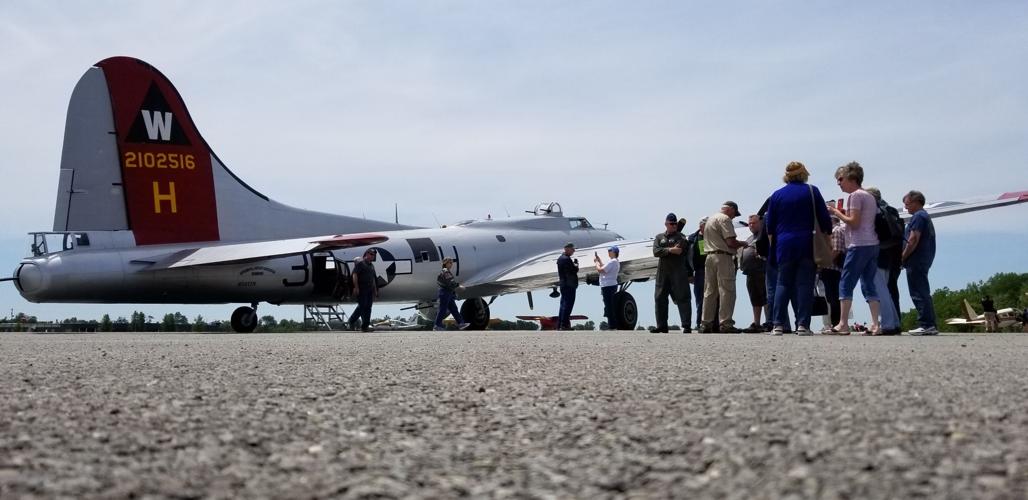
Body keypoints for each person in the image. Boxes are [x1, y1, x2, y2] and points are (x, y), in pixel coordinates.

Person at [764, 162, 832, 336]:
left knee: (782, 283)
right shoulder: (811, 191)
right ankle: (802, 325)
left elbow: (769, 226)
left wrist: (775, 246)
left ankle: (777, 324)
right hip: (806, 242)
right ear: (804, 174)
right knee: (804, 284)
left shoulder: (776, 195)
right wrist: (828, 238)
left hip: (783, 244)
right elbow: (825, 219)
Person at [827, 162, 881, 335]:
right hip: (872, 244)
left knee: (846, 282)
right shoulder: (869, 196)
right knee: (868, 283)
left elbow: (854, 222)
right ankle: (875, 324)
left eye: (840, 179)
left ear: (852, 177)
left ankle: (842, 324)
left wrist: (836, 212)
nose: (839, 183)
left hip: (858, 244)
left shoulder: (855, 196)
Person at [700, 201, 747, 333]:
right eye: (735, 214)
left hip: (709, 257)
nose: (734, 217)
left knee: (709, 291)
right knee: (727, 291)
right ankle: (726, 324)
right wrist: (743, 243)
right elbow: (730, 242)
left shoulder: (710, 219)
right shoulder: (725, 219)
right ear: (731, 210)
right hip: (723, 257)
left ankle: (706, 323)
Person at [866, 187, 903, 335]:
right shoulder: (890, 210)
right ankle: (893, 321)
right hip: (889, 254)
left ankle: (887, 324)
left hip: (877, 252)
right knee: (885, 290)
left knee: (879, 290)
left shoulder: (874, 211)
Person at [902, 190, 938, 335]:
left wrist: (903, 256)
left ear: (916, 202)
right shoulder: (924, 216)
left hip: (916, 259)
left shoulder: (918, 217)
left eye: (907, 204)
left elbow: (913, 239)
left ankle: (927, 324)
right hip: (923, 258)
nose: (906, 208)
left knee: (918, 291)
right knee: (922, 290)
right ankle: (929, 324)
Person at [651, 213, 693, 333]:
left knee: (683, 297)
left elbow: (679, 250)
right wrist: (670, 249)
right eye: (671, 223)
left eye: (675, 223)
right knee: (660, 298)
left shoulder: (681, 237)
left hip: (678, 272)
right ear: (666, 224)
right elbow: (656, 251)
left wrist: (665, 250)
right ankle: (661, 325)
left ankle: (686, 325)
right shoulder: (659, 237)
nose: (674, 225)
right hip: (663, 273)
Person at [739, 214, 770, 332]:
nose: (751, 225)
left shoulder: (765, 235)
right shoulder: (749, 238)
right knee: (755, 298)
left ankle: (769, 321)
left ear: (761, 223)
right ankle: (757, 323)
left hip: (762, 270)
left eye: (754, 223)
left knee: (765, 297)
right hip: (750, 272)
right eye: (750, 223)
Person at [819, 209, 848, 330]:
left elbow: (836, 250)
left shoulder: (836, 230)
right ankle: (836, 323)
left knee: (833, 297)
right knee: (832, 297)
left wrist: (823, 265)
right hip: (833, 269)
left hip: (832, 268)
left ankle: (837, 323)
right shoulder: (836, 230)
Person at [686, 218, 712, 331]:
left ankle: (713, 323)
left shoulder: (713, 236)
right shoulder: (692, 238)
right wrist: (689, 273)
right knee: (700, 299)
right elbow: (687, 258)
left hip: (711, 270)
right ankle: (699, 323)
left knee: (713, 297)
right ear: (701, 226)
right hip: (699, 271)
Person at [434, 258, 470, 331]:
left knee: (454, 309)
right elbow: (451, 282)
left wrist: (453, 293)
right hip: (444, 293)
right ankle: (437, 326)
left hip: (448, 292)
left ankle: (461, 323)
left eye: (451, 263)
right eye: (449, 263)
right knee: (442, 309)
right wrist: (460, 286)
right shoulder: (445, 271)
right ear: (445, 263)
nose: (451, 264)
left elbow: (449, 284)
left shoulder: (446, 272)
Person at [348, 248, 379, 332]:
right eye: (371, 254)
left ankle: (365, 326)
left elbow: (373, 279)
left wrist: (375, 290)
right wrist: (356, 287)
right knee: (362, 306)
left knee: (368, 307)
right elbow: (355, 275)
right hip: (362, 289)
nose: (373, 256)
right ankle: (351, 321)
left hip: (369, 290)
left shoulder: (371, 266)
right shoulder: (361, 264)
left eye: (374, 255)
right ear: (366, 254)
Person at [594, 246, 621, 329]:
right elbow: (604, 267)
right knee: (609, 305)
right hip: (610, 285)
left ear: (614, 252)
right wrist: (599, 260)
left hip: (608, 286)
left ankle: (612, 325)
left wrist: (596, 263)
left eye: (610, 251)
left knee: (609, 306)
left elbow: (601, 270)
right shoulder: (614, 262)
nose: (608, 252)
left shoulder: (612, 261)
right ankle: (612, 325)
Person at [556, 242, 579, 330]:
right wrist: (576, 265)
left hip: (564, 284)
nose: (573, 251)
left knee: (563, 305)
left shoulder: (560, 259)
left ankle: (560, 325)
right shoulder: (566, 259)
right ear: (567, 249)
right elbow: (574, 270)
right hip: (569, 285)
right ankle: (564, 325)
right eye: (572, 249)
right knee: (568, 305)